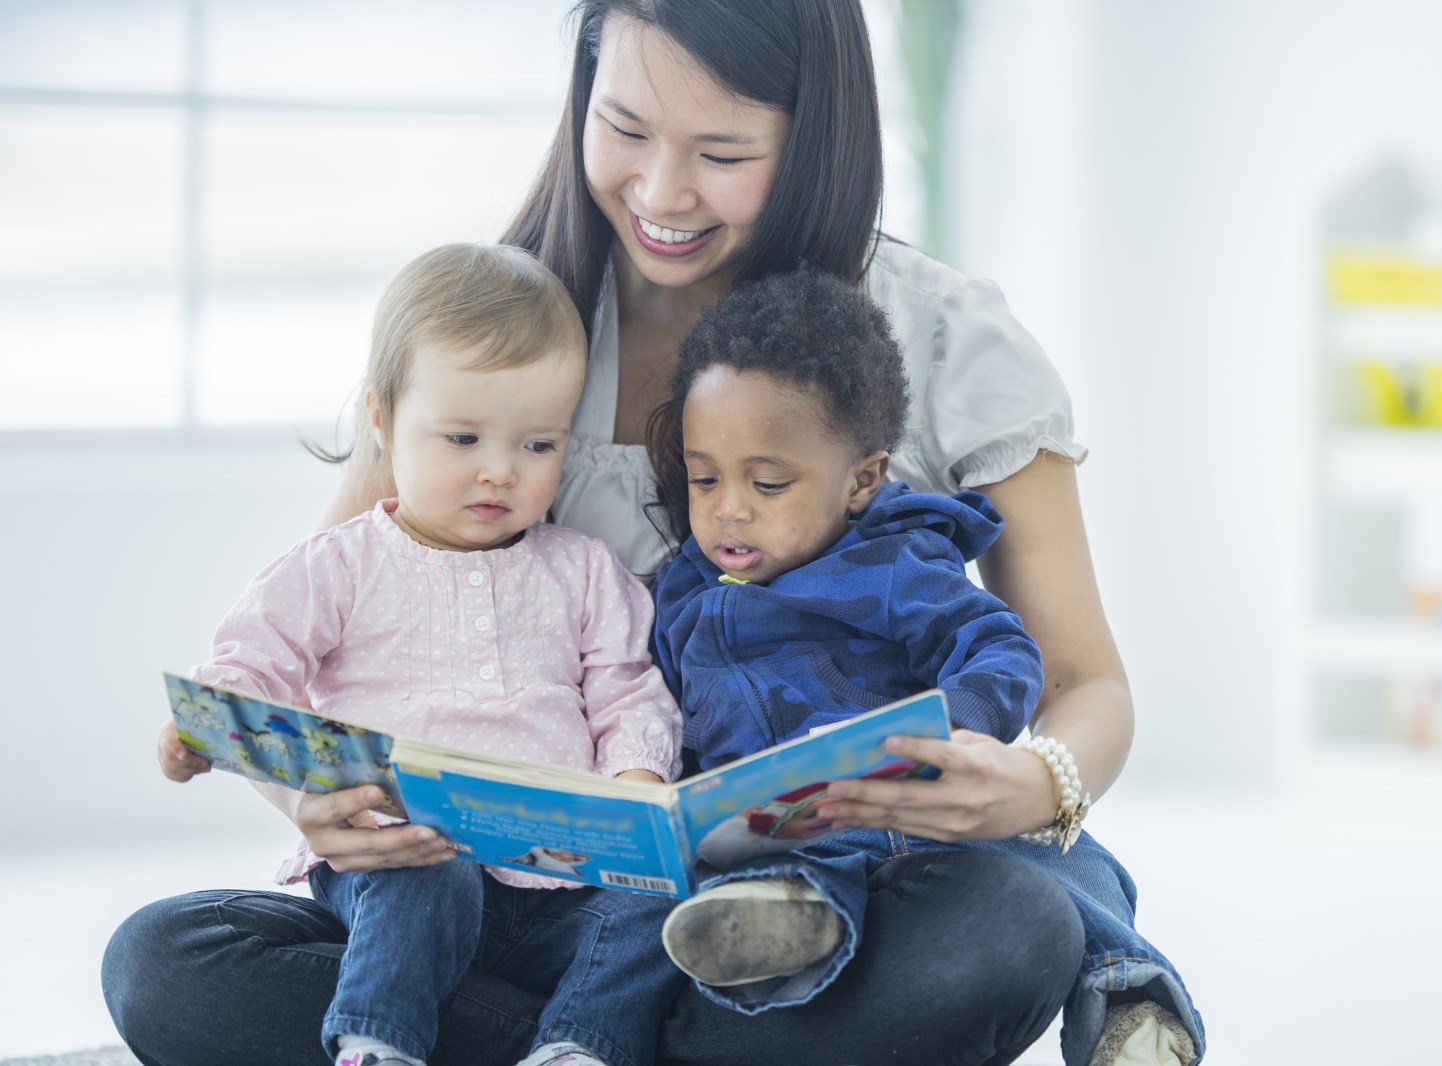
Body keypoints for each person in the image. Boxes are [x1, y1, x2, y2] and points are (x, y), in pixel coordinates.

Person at [104, 2, 1205, 1063]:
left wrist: (1040, 780)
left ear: (814, 138)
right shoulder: (499, 331)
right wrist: (316, 803)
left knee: (1007, 925)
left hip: (792, 902)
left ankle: (569, 1038)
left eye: (722, 152)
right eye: (624, 128)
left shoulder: (949, 336)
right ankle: (612, 1044)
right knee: (165, 962)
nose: (662, 191)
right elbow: (328, 603)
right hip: (492, 897)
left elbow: (1083, 678)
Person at [154, 241, 686, 1066]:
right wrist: (203, 734)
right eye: (463, 437)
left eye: (539, 446)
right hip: (397, 872)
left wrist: (636, 792)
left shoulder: (580, 569)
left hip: (559, 886)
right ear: (382, 419)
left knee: (661, 908)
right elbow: (243, 675)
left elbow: (627, 693)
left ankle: (577, 1046)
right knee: (408, 872)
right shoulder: (338, 566)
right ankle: (379, 1043)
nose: (499, 473)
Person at [644, 267, 1076, 1011]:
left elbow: (1002, 651)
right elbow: (657, 706)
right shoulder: (680, 593)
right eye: (704, 481)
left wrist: (956, 732)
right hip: (758, 843)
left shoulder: (893, 566)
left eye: (768, 485)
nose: (728, 512)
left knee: (1061, 861)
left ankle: (1126, 986)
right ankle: (775, 940)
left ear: (862, 480)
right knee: (731, 893)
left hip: (903, 815)